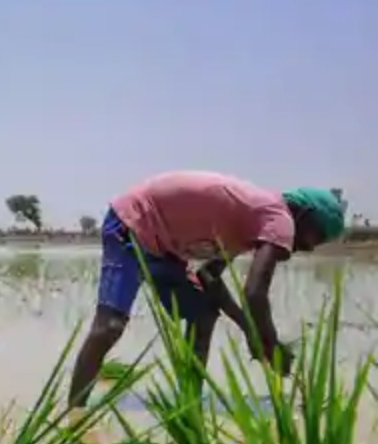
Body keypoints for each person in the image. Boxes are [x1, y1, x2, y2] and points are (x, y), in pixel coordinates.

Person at [68, 171, 346, 408]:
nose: (309, 247)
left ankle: (188, 405)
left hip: (164, 249)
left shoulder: (253, 224)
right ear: (304, 215)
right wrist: (270, 344)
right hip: (132, 222)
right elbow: (254, 294)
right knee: (110, 326)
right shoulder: (279, 218)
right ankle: (73, 414)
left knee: (203, 313)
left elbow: (210, 278)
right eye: (316, 236)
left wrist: (251, 331)